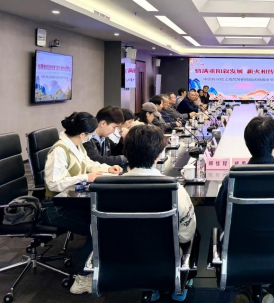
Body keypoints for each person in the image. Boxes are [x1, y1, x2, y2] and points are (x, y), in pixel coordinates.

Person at [41, 112, 122, 295]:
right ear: (83, 134)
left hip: (71, 201)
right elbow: (53, 183)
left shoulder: (77, 145)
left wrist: (107, 168)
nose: (91, 137)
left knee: (103, 221)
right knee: (99, 227)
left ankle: (98, 263)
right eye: (90, 134)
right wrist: (85, 177)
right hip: (57, 208)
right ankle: (81, 279)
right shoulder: (60, 150)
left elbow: (88, 163)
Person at [121, 124, 196, 301]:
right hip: (165, 257)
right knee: (193, 234)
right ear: (158, 155)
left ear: (125, 153)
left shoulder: (105, 190)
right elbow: (186, 234)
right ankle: (179, 282)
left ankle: (150, 285)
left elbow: (96, 231)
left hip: (119, 258)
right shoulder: (173, 189)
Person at [214, 116, 274, 303]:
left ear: (247, 144)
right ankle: (257, 288)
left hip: (239, 250)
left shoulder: (233, 179)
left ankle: (247, 286)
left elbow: (222, 216)